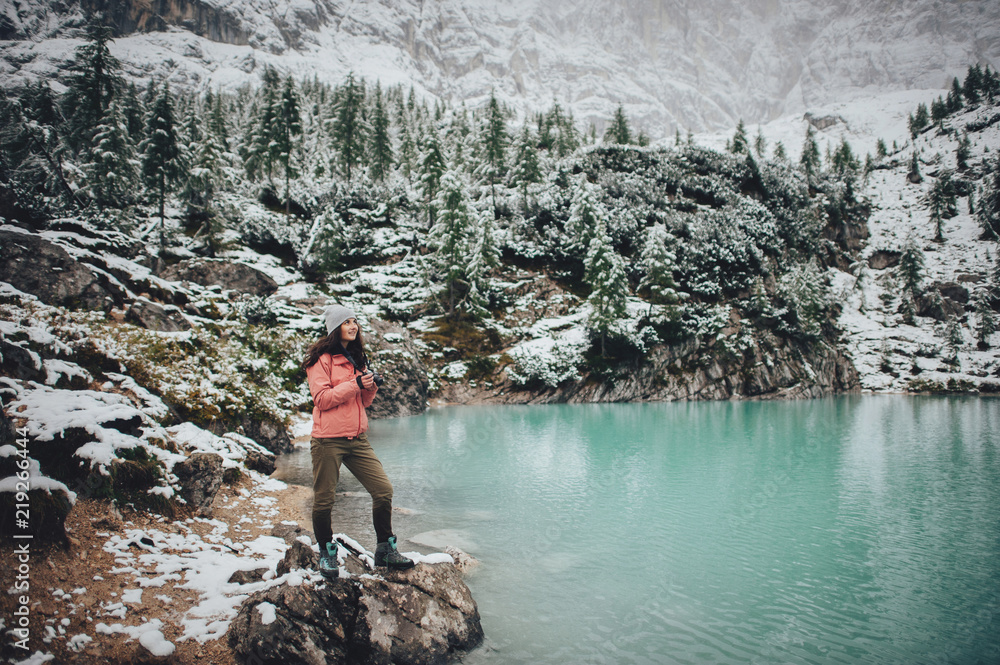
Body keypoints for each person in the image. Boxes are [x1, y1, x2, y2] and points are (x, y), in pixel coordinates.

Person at [303, 304, 415, 577]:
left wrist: (369, 385)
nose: (353, 326)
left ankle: (385, 550)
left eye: (355, 321)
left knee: (383, 490)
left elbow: (363, 401)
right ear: (334, 328)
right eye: (347, 322)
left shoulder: (356, 358)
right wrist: (355, 384)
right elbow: (322, 399)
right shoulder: (321, 359)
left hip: (357, 439)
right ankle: (326, 553)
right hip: (328, 440)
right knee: (325, 499)